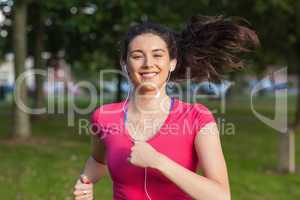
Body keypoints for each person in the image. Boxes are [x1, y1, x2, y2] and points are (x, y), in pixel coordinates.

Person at [73, 15, 259, 200]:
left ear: (172, 63)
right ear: (124, 65)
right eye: (137, 56)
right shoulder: (104, 116)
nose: (148, 64)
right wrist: (85, 181)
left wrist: (159, 162)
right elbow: (97, 161)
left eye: (157, 55)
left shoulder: (197, 117)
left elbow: (220, 196)